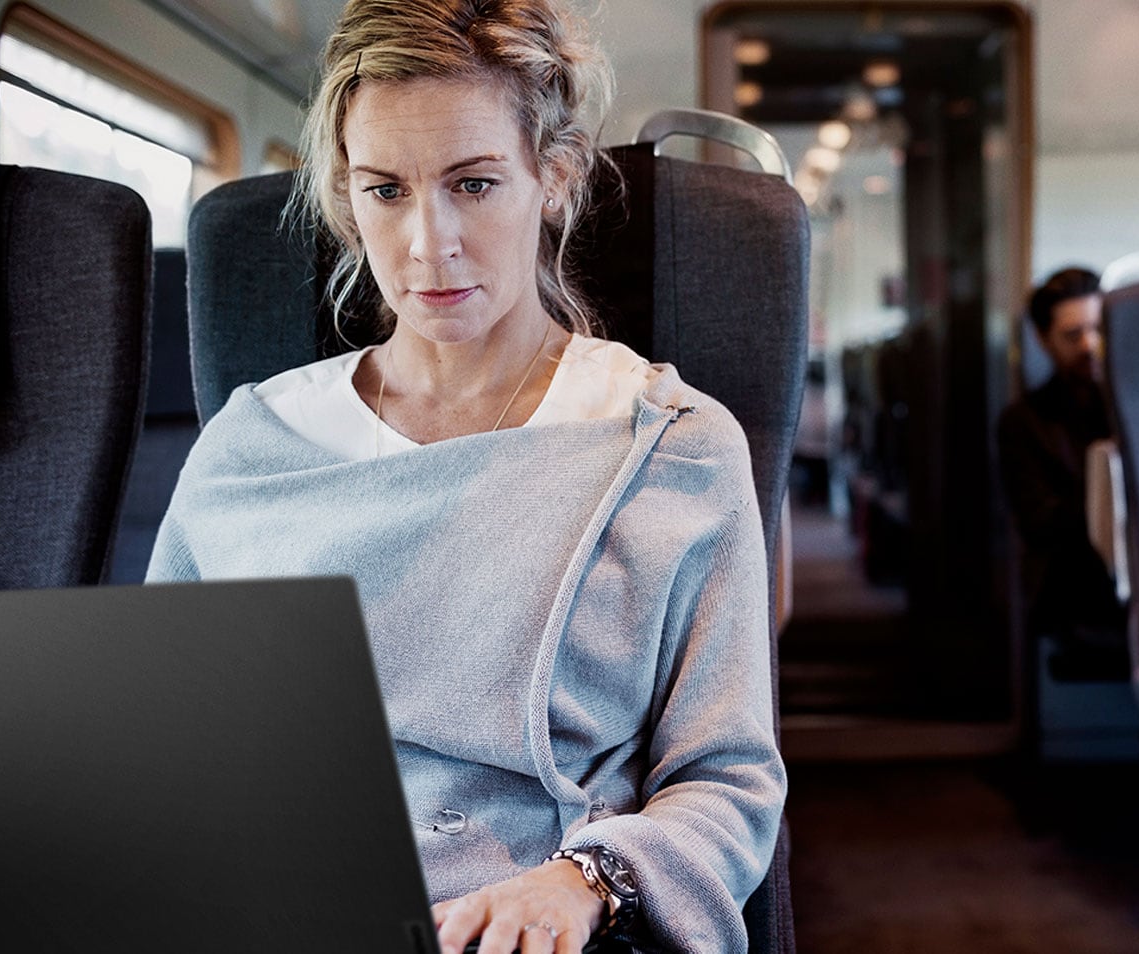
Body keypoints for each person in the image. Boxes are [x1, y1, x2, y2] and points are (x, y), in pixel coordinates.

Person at [145, 2, 785, 952]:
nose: (426, 244)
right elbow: (161, 746)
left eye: (474, 185)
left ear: (554, 176)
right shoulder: (253, 447)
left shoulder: (673, 450)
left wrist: (585, 883)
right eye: (386, 191)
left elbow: (728, 781)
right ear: (342, 193)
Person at [997, 267, 1126, 671]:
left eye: (1098, 329)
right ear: (1043, 340)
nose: (1090, 345)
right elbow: (1039, 523)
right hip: (1076, 584)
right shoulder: (1024, 422)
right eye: (1073, 335)